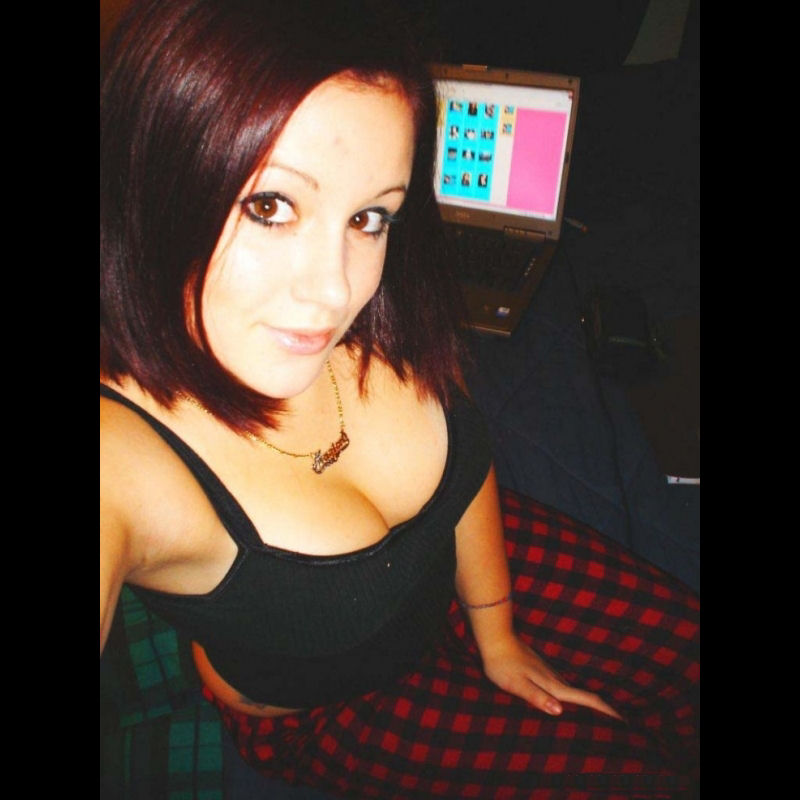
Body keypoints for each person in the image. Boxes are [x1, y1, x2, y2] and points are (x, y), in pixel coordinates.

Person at [100, 1, 700, 798]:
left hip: (456, 560)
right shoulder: (120, 457)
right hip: (330, 708)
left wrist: (497, 634)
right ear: (147, 181)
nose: (335, 291)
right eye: (269, 206)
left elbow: (465, 468)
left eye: (369, 216)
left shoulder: (384, 311)